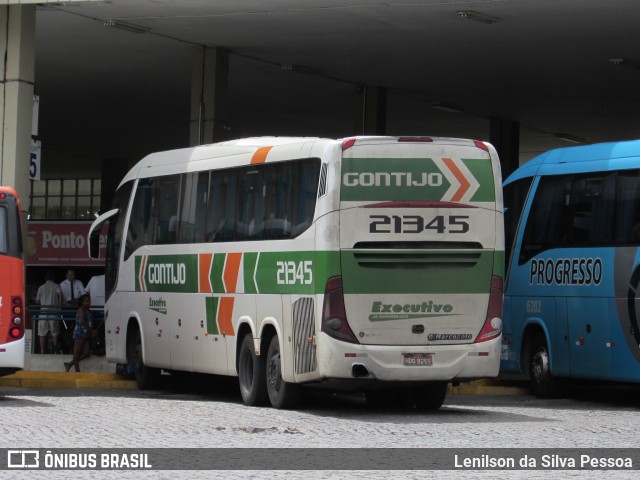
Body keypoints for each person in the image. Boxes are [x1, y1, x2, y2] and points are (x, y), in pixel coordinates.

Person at [35, 271, 63, 354]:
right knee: (54, 331)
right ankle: (55, 349)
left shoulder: (41, 287)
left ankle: (42, 351)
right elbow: (61, 295)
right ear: (53, 279)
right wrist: (59, 306)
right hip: (54, 311)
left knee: (42, 332)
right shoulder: (56, 286)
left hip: (43, 312)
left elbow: (37, 301)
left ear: (45, 279)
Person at [64, 294, 93, 372]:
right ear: (82, 302)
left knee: (86, 353)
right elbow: (82, 321)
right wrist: (91, 330)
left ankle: (69, 364)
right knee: (77, 352)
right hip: (80, 332)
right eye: (86, 301)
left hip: (86, 333)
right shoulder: (81, 309)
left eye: (89, 301)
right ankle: (77, 370)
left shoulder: (87, 310)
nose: (88, 302)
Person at [84, 274, 106, 356]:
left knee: (94, 330)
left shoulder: (93, 279)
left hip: (93, 310)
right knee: (104, 331)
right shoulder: (111, 278)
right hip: (105, 309)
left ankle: (94, 349)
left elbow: (85, 292)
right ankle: (102, 348)